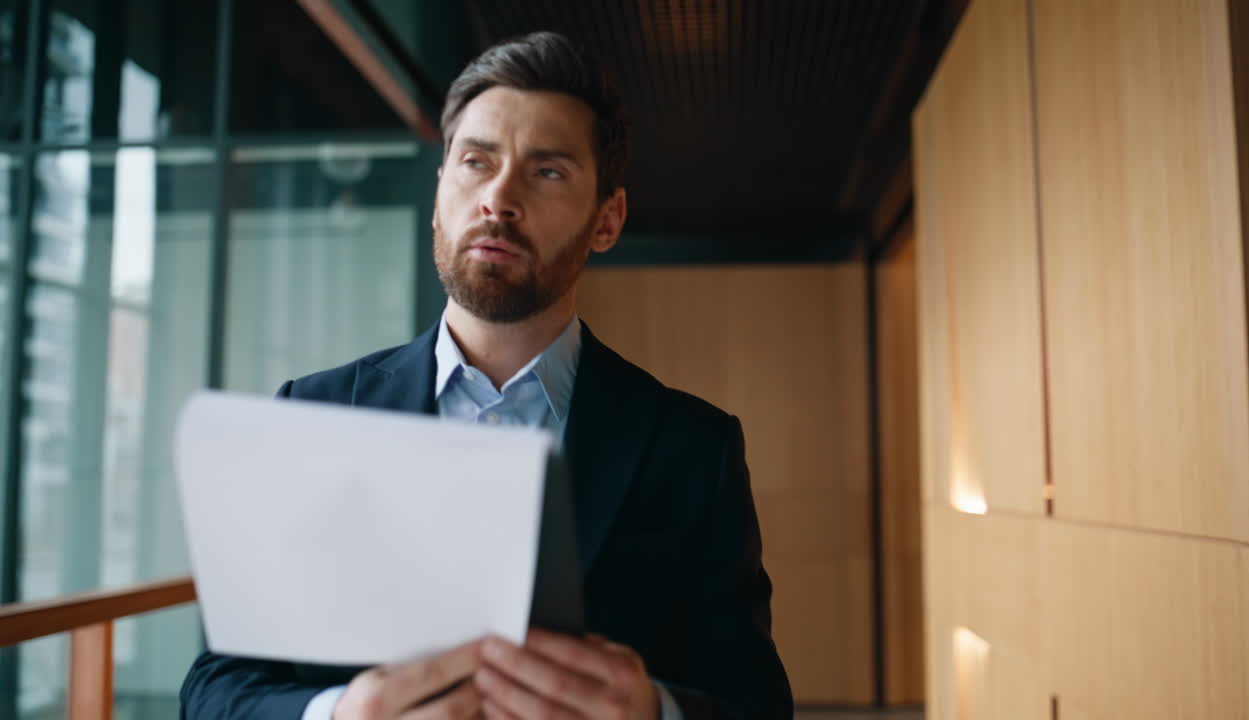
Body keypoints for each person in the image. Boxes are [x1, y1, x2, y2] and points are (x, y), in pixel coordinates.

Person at [180, 31, 792, 719]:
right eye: (476, 162)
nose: (499, 199)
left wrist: (655, 711)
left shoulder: (694, 448)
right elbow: (216, 687)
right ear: (442, 189)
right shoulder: (309, 414)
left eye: (547, 171)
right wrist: (338, 715)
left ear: (608, 219)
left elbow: (757, 704)